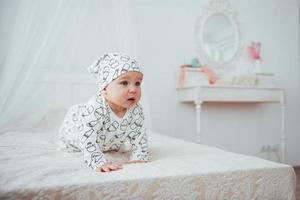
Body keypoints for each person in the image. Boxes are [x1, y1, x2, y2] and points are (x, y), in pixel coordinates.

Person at [58, 53, 149, 173]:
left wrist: (139, 156)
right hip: (77, 137)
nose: (133, 89)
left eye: (137, 83)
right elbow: (87, 137)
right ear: (104, 89)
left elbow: (139, 135)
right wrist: (98, 161)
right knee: (80, 141)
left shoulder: (136, 110)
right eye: (124, 83)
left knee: (116, 140)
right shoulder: (96, 107)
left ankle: (108, 146)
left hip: (108, 141)